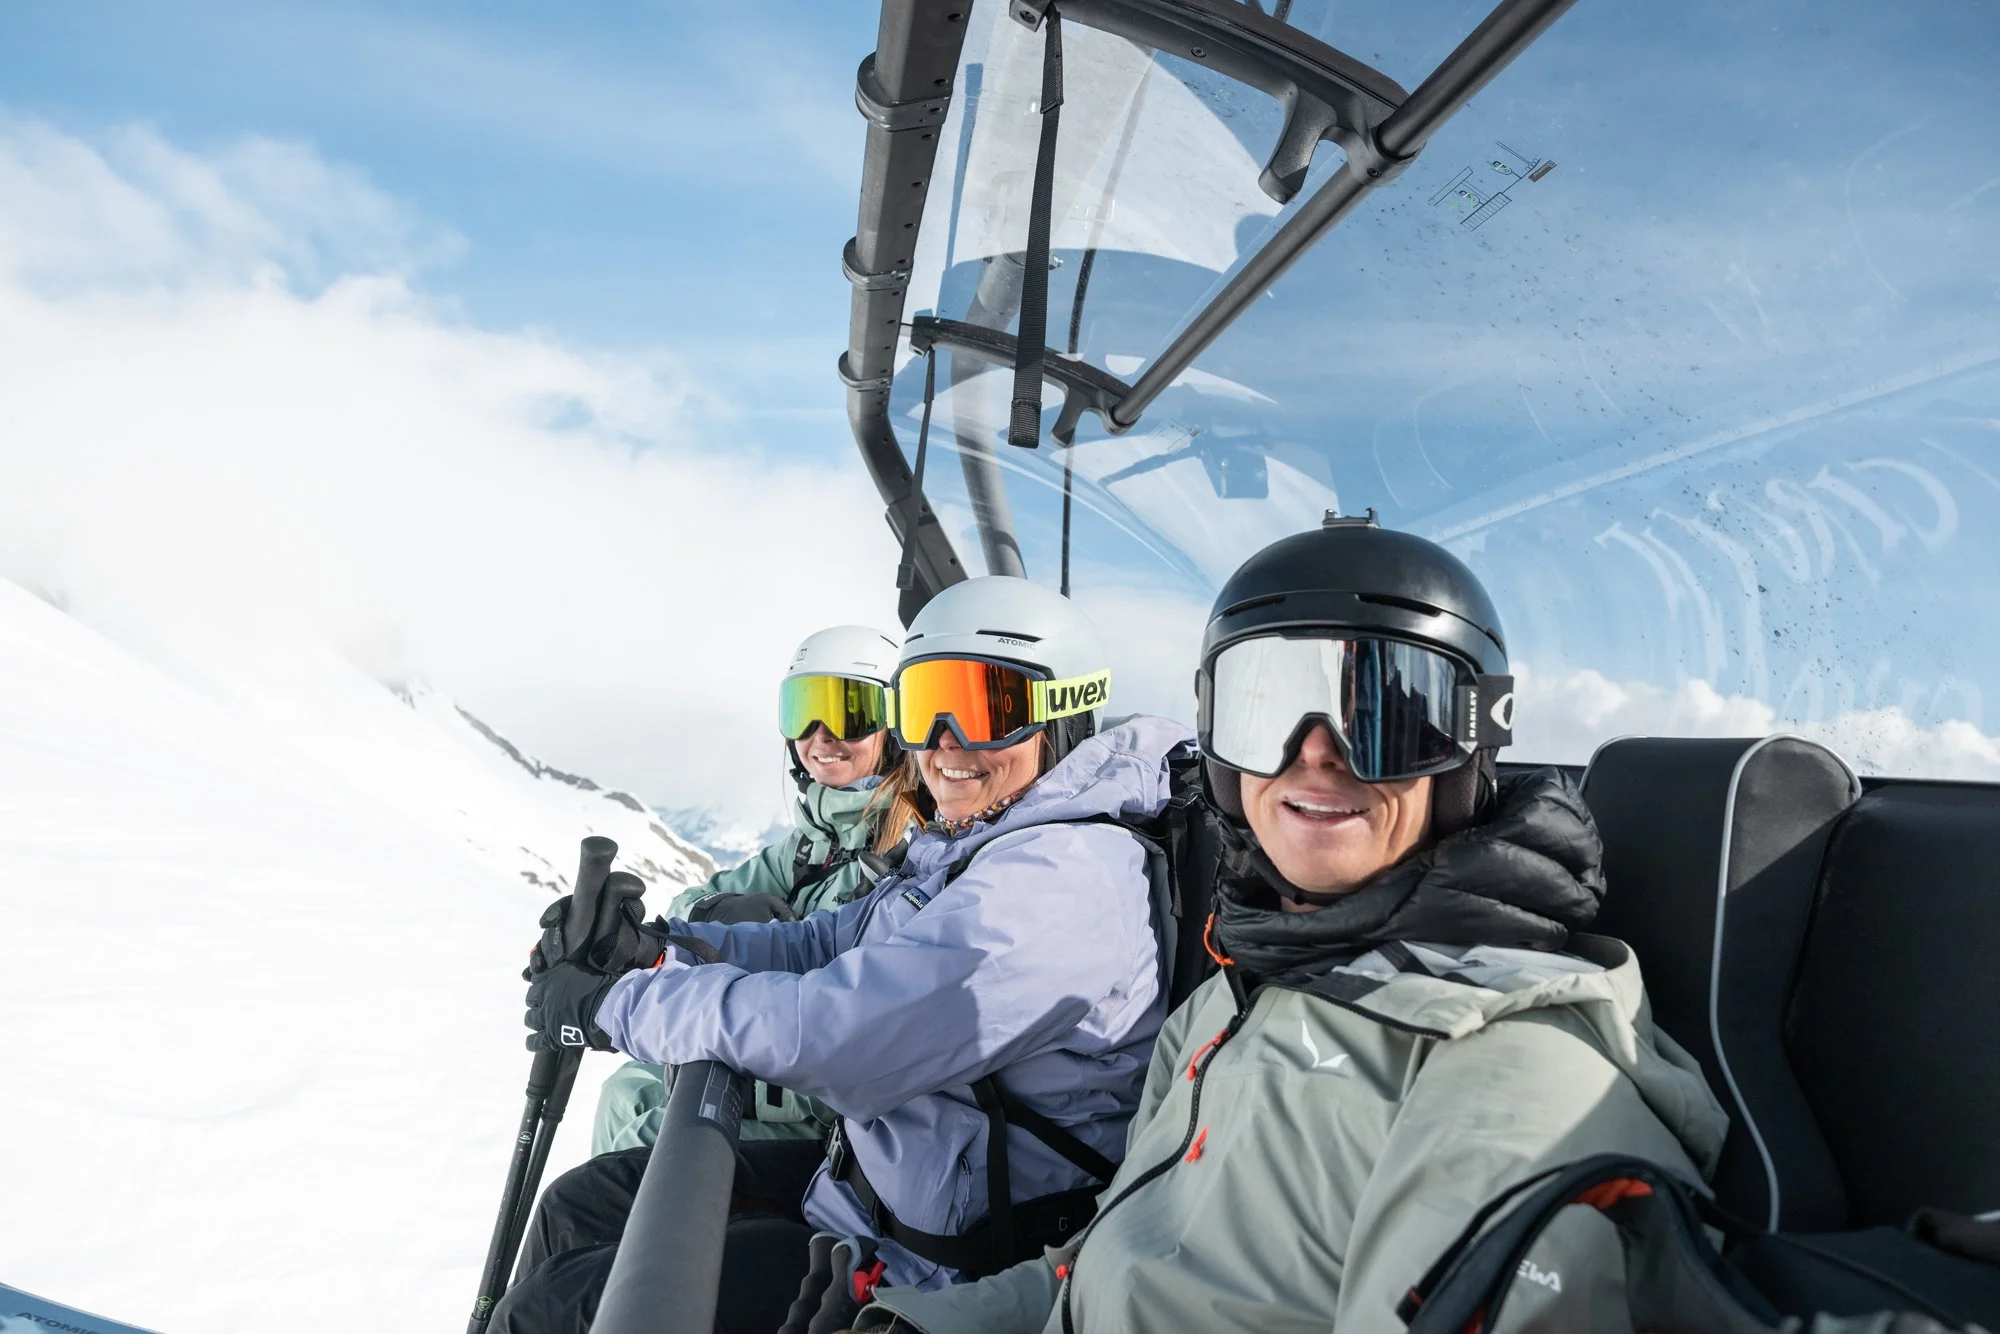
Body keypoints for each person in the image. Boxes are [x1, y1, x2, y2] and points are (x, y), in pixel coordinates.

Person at [852, 515, 1729, 1334]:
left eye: (1385, 714)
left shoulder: (1514, 1082)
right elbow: (1107, 1263)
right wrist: (923, 1321)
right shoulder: (1231, 1002)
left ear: (1469, 746)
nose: (1316, 752)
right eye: (1264, 707)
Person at [494, 575, 1193, 1334]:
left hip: (937, 1264)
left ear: (1064, 714)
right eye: (925, 708)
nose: (946, 742)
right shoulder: (988, 843)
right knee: (581, 1207)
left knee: (555, 1312)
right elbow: (825, 939)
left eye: (989, 709)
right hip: (865, 1200)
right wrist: (656, 949)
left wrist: (614, 1005)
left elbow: (838, 1033)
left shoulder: (1060, 884)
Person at [591, 625, 929, 1156]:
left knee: (646, 1139)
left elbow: (870, 1030)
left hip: (832, 1106)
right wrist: (720, 908)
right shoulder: (814, 840)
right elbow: (688, 906)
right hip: (774, 1051)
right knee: (626, 1091)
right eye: (803, 712)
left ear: (895, 727)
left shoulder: (903, 852)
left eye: (849, 712)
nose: (821, 735)